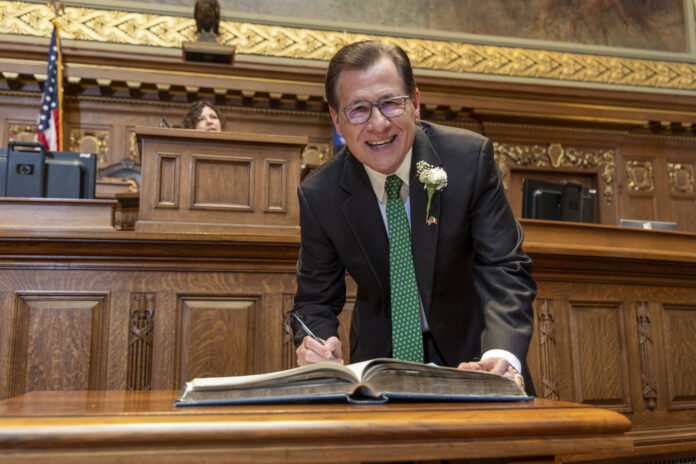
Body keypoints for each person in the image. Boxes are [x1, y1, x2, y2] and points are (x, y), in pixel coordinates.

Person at [291, 40, 536, 393]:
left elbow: (504, 267)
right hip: (379, 370)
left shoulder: (469, 160)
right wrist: (317, 342)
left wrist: (501, 353)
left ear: (416, 104)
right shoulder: (320, 195)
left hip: (477, 359)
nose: (378, 124)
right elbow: (314, 299)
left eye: (390, 103)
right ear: (337, 120)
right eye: (358, 109)